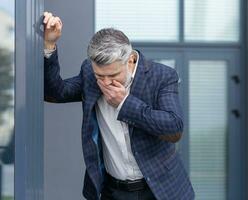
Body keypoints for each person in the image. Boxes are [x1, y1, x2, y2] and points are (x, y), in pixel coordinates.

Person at [43, 11, 195, 200]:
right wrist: (49, 45)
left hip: (159, 190)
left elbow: (174, 128)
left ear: (130, 59)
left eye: (113, 75)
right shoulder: (89, 74)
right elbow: (54, 94)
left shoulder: (162, 76)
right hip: (113, 191)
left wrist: (124, 103)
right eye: (100, 76)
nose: (105, 82)